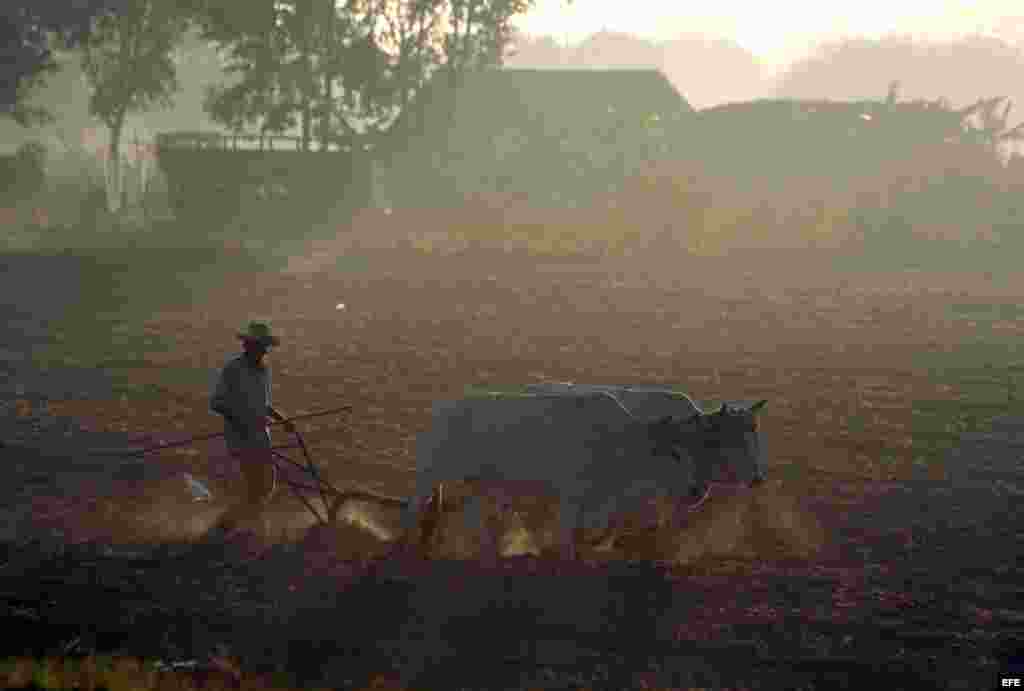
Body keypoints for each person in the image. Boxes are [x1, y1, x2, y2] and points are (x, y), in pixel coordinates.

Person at [205, 321, 295, 546]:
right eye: (260, 346)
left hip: (260, 435)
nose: (264, 350)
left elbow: (263, 404)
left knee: (267, 485)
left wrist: (282, 420)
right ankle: (233, 528)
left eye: (265, 346)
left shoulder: (262, 371)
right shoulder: (233, 369)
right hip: (242, 437)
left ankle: (238, 526)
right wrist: (239, 421)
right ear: (248, 346)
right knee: (257, 485)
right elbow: (217, 403)